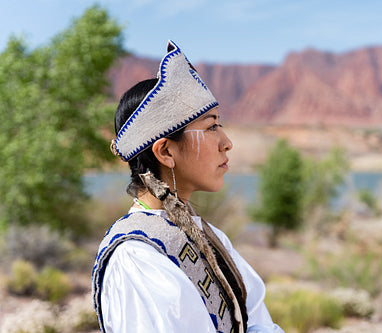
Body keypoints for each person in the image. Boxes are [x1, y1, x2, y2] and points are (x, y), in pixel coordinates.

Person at [91, 40, 284, 333]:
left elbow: (257, 322)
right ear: (166, 152)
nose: (227, 142)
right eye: (211, 127)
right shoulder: (136, 257)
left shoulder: (205, 235)